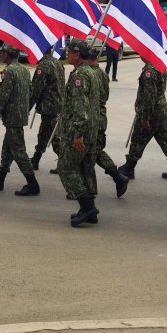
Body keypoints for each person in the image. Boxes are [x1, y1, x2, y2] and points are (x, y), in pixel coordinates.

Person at [55, 40, 100, 226]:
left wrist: (78, 133)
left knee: (65, 167)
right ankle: (89, 210)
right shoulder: (91, 72)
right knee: (85, 169)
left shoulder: (79, 75)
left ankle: (87, 207)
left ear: (77, 54)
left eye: (69, 52)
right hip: (92, 130)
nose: (67, 55)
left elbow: (81, 105)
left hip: (80, 130)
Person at [0, 44, 38, 196]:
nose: (0, 55)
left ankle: (32, 184)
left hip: (13, 117)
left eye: (2, 52)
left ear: (7, 54)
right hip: (20, 115)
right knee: (7, 149)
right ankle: (0, 179)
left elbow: (3, 96)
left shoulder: (9, 71)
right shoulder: (24, 70)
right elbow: (30, 91)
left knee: (19, 152)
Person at [84, 48, 130, 198]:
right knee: (94, 151)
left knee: (92, 152)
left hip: (92, 117)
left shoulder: (89, 74)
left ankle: (89, 188)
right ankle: (117, 177)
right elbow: (106, 95)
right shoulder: (103, 74)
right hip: (100, 115)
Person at [118, 60, 167, 181]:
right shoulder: (160, 64)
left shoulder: (150, 71)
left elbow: (149, 96)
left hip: (151, 113)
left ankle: (129, 167)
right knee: (165, 140)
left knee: (138, 139)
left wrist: (145, 117)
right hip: (160, 110)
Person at [28, 46, 65, 171]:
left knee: (53, 136)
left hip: (49, 106)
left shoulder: (44, 66)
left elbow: (36, 89)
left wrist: (27, 107)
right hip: (58, 104)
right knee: (44, 133)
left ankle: (65, 164)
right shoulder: (58, 63)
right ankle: (36, 159)